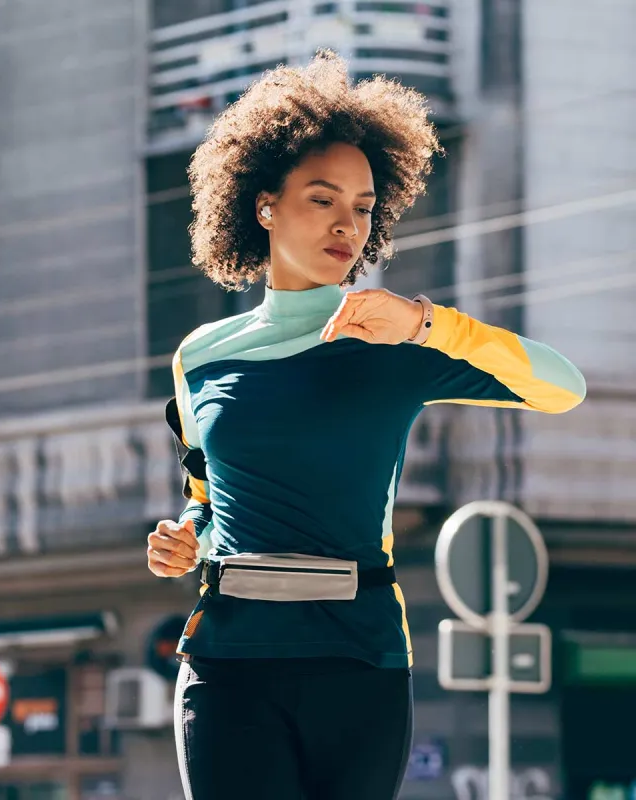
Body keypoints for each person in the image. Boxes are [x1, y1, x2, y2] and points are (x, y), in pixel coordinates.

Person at [146, 51, 586, 800]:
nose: (347, 224)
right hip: (228, 663)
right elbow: (207, 498)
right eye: (322, 199)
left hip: (360, 660)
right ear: (265, 205)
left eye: (363, 206)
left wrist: (428, 324)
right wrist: (185, 538)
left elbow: (562, 387)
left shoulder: (395, 342)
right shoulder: (201, 358)